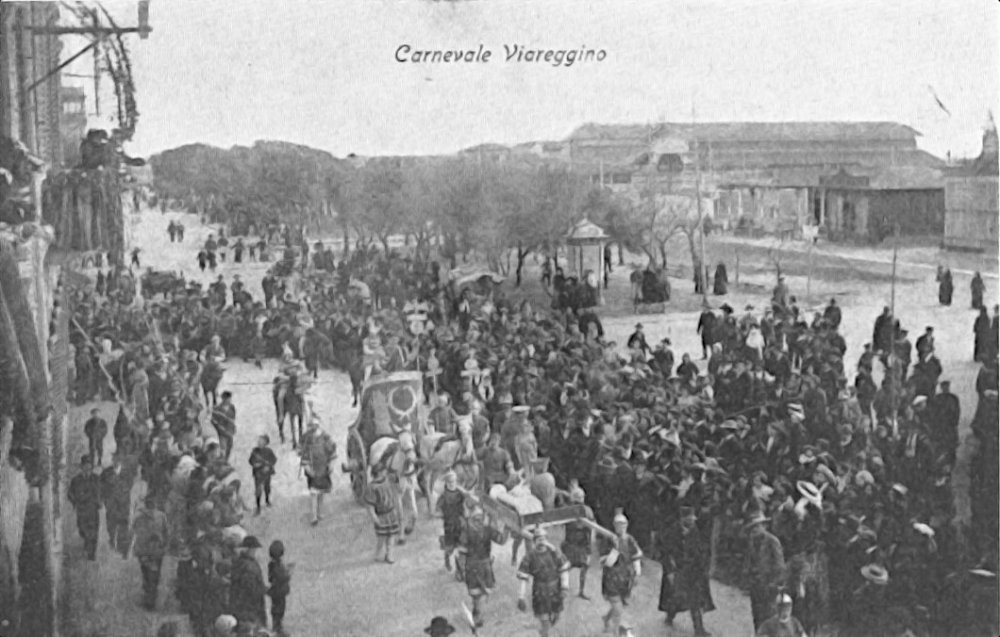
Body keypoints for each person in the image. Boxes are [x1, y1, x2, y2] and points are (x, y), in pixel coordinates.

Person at [657, 506, 714, 637]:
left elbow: (700, 551)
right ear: (682, 519)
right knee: (676, 597)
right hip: (678, 570)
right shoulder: (672, 532)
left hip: (693, 571)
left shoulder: (695, 531)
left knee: (695, 598)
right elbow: (665, 553)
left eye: (693, 518)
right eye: (689, 518)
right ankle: (670, 616)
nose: (692, 521)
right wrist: (670, 571)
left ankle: (699, 629)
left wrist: (703, 569)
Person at [456, 502, 508, 627]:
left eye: (480, 518)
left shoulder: (485, 530)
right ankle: (477, 614)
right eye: (476, 518)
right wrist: (462, 569)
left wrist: (507, 528)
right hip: (476, 565)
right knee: (477, 593)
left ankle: (477, 611)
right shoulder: (470, 531)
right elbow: (462, 552)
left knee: (479, 593)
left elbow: (501, 540)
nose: (478, 521)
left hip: (479, 565)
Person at [516, 526, 570, 637]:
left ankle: (544, 632)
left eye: (543, 539)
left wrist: (564, 586)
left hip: (555, 591)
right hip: (540, 592)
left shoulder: (554, 553)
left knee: (557, 617)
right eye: (539, 539)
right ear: (535, 541)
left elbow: (564, 569)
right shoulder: (530, 556)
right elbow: (524, 578)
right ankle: (545, 633)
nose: (541, 542)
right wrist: (521, 596)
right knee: (545, 623)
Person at [600, 512, 643, 635]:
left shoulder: (629, 539)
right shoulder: (608, 539)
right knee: (618, 609)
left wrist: (637, 572)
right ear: (614, 525)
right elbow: (604, 561)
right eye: (618, 524)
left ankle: (606, 618)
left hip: (625, 577)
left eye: (623, 524)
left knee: (619, 604)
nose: (621, 526)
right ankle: (617, 634)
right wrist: (614, 552)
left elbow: (637, 554)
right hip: (611, 578)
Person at [746, 511, 786, 630]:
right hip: (756, 585)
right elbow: (749, 562)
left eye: (758, 526)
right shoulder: (752, 541)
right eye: (753, 527)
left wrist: (775, 585)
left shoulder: (772, 541)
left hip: (769, 586)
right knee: (757, 616)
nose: (755, 530)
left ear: (764, 526)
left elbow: (780, 566)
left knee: (769, 617)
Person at [132, 494, 169, 609]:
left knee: (146, 573)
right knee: (154, 575)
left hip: (143, 551)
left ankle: (148, 597)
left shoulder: (139, 516)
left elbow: (135, 530)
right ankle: (150, 599)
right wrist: (164, 545)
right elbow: (166, 532)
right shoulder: (161, 516)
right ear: (155, 504)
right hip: (156, 550)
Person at [560, 484, 595, 599]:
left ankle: (579, 590)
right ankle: (562, 586)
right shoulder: (571, 510)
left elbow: (590, 528)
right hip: (573, 543)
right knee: (568, 566)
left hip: (579, 544)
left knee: (576, 567)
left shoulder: (584, 510)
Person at [300, 418, 337, 525]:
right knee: (313, 493)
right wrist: (307, 468)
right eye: (311, 426)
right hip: (313, 470)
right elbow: (304, 456)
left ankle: (320, 512)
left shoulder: (325, 439)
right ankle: (313, 516)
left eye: (315, 426)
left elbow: (332, 453)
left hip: (323, 469)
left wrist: (331, 465)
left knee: (321, 493)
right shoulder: (307, 440)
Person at [364, 464, 401, 563]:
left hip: (391, 513)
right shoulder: (372, 488)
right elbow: (370, 505)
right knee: (382, 537)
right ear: (379, 472)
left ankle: (389, 555)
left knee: (392, 535)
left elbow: (397, 478)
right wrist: (373, 516)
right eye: (384, 470)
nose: (386, 472)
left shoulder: (388, 480)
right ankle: (378, 554)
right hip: (381, 516)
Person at [100, 450, 133, 558]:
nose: (116, 461)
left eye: (118, 459)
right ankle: (111, 542)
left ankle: (122, 548)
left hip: (123, 504)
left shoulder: (127, 472)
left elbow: (129, 486)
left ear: (122, 460)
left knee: (123, 525)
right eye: (114, 459)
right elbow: (101, 486)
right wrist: (105, 499)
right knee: (111, 525)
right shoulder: (106, 472)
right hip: (111, 504)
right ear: (112, 459)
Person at [67, 455, 101, 560]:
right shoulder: (76, 480)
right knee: (83, 530)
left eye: (89, 466)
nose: (87, 469)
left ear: (92, 467)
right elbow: (70, 494)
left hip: (93, 510)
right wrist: (74, 502)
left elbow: (103, 491)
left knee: (93, 532)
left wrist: (99, 501)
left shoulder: (96, 478)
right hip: (81, 510)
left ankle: (92, 555)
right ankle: (87, 545)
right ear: (81, 467)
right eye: (85, 466)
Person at [230, 535, 267, 628]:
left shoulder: (240, 562)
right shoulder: (248, 566)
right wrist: (265, 590)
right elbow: (251, 588)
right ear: (248, 549)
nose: (254, 552)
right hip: (249, 607)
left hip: (242, 605)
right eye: (253, 549)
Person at [437, 470, 465, 572]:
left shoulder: (460, 493)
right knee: (449, 547)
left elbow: (467, 501)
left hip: (459, 523)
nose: (452, 484)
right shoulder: (444, 496)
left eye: (454, 481)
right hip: (449, 525)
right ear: (447, 483)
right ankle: (447, 560)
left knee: (461, 546)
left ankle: (460, 567)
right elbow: (438, 510)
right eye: (450, 482)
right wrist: (441, 516)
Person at [267, 539, 293, 636]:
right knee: (279, 610)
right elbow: (282, 577)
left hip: (276, 591)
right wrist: (288, 573)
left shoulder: (272, 564)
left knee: (277, 609)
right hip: (279, 592)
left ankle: (277, 627)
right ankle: (277, 628)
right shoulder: (277, 565)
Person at [249, 435, 277, 515]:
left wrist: (268, 466)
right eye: (258, 440)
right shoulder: (254, 451)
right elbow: (251, 461)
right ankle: (258, 506)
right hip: (258, 473)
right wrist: (255, 464)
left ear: (265, 443)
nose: (259, 442)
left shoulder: (269, 451)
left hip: (266, 473)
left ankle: (267, 500)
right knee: (258, 490)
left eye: (261, 441)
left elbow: (274, 460)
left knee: (267, 487)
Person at [212, 391, 237, 461]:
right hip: (222, 433)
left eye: (229, 399)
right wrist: (220, 428)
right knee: (223, 449)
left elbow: (233, 418)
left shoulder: (232, 407)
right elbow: (214, 421)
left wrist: (233, 427)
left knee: (229, 448)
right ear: (223, 399)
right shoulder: (217, 409)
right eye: (227, 399)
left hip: (230, 431)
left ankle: (226, 461)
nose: (229, 400)